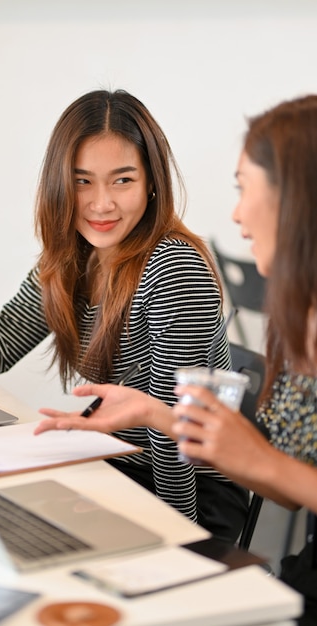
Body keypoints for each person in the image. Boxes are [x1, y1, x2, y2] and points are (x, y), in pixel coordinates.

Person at [0, 89, 248, 541]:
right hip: (117, 465)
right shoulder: (74, 257)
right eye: (82, 181)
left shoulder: (174, 266)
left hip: (190, 495)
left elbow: (173, 432)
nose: (101, 204)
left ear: (152, 182)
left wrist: (178, 543)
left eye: (122, 180)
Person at [34, 94, 317, 625]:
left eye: (245, 188)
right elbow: (291, 483)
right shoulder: (298, 323)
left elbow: (280, 475)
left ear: (299, 199)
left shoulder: (176, 264)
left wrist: (247, 464)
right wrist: (156, 414)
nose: (235, 212)